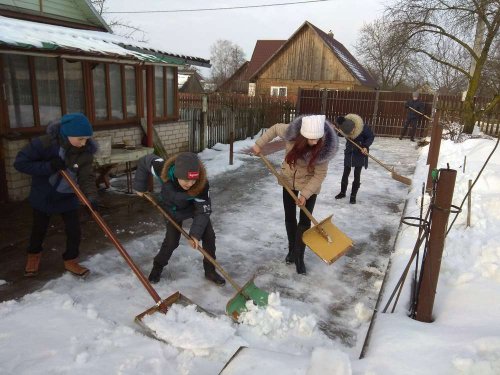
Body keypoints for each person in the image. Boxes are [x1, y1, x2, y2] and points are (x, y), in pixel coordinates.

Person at [14, 113, 99, 277]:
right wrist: (48, 166)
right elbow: (20, 163)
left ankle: (71, 260)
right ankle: (33, 255)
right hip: (44, 194)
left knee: (74, 230)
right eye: (80, 139)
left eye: (87, 139)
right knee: (39, 229)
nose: (84, 143)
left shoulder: (86, 152)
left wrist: (91, 197)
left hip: (68, 196)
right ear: (67, 134)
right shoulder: (45, 144)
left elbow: (86, 177)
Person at [252, 115, 338, 275]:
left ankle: (299, 256)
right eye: (310, 139)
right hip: (288, 179)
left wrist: (305, 194)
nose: (314, 142)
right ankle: (292, 250)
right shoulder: (291, 133)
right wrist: (259, 144)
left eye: (317, 139)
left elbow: (319, 175)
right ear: (302, 135)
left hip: (309, 183)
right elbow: (275, 127)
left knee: (304, 220)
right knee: (289, 216)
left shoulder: (324, 149)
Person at [133, 152, 225, 286]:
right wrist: (139, 187)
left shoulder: (201, 185)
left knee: (209, 236)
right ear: (177, 174)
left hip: (193, 208)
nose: (190, 184)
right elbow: (145, 160)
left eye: (193, 180)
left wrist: (194, 235)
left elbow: (203, 211)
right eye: (186, 180)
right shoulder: (162, 169)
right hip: (171, 209)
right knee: (171, 241)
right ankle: (157, 267)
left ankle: (210, 271)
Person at [334, 114, 375, 204]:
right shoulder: (345, 127)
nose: (351, 133)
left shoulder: (363, 127)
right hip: (349, 151)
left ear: (354, 126)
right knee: (346, 172)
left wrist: (365, 146)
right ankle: (342, 192)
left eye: (352, 131)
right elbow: (341, 134)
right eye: (349, 133)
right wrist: (336, 130)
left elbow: (371, 136)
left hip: (360, 151)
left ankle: (353, 195)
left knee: (357, 174)